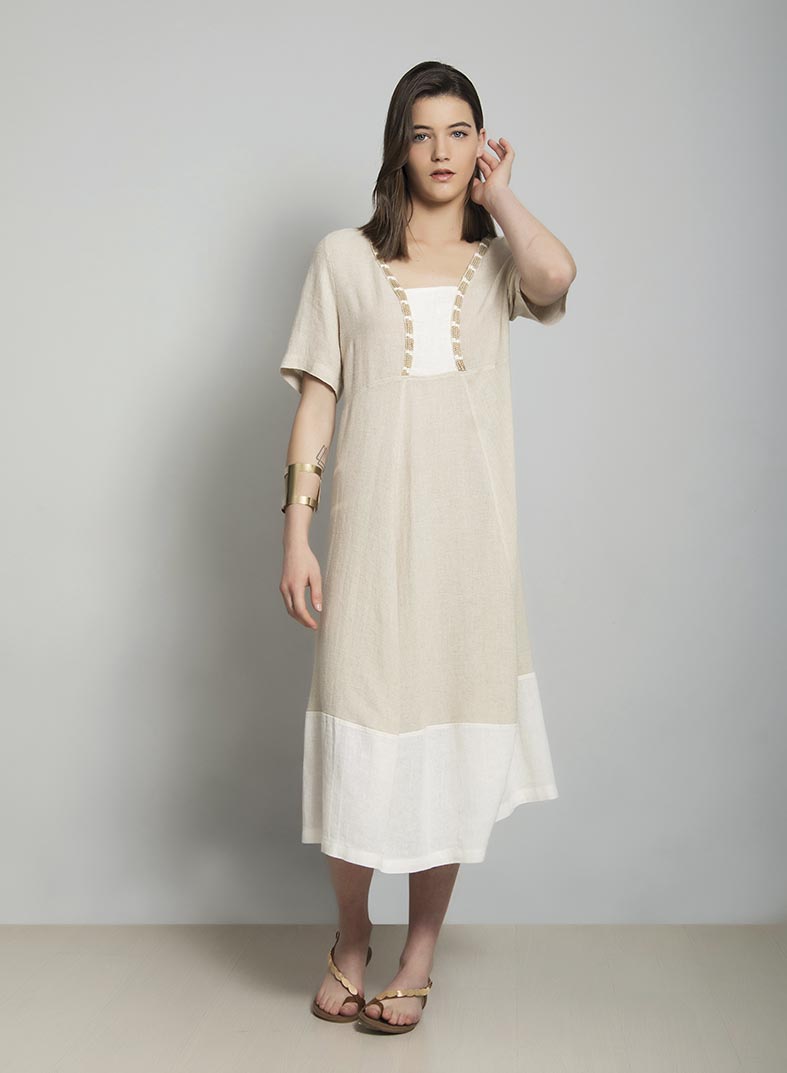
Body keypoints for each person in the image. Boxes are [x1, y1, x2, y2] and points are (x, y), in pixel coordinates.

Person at [278, 60, 576, 1033]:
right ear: (396, 147)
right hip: (369, 541)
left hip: (470, 549)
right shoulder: (341, 258)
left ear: (481, 145)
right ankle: (352, 934)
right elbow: (316, 399)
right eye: (422, 132)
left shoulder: (498, 262)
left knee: (448, 749)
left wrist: (504, 197)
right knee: (358, 738)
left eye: (460, 132)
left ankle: (418, 954)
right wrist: (297, 533)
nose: (441, 151)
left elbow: (556, 276)